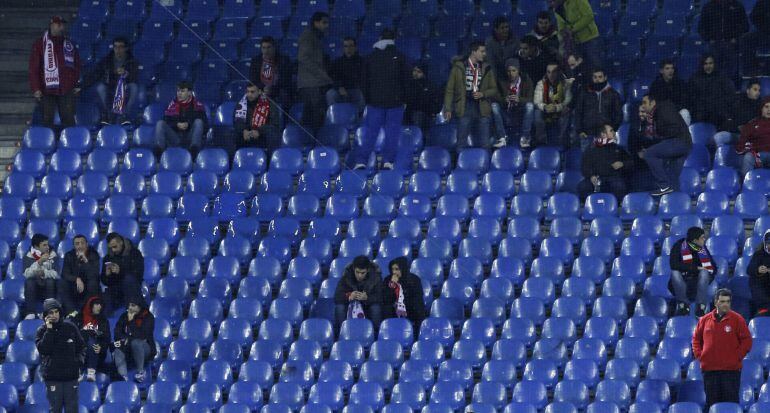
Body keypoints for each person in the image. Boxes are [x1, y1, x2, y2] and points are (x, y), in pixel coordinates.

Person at [353, 28, 411, 170]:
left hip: (375, 103)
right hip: (395, 103)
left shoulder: (370, 57)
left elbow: (363, 82)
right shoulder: (400, 57)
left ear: (379, 39)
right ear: (394, 40)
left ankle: (361, 161)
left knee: (370, 133)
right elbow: (406, 81)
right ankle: (387, 162)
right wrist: (404, 99)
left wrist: (369, 99)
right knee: (392, 133)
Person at [692, 288, 752, 411]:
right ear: (716, 302)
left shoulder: (737, 319)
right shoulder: (704, 320)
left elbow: (747, 341)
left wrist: (736, 357)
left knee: (730, 404)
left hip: (731, 371)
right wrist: (701, 356)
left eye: (728, 302)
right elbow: (696, 340)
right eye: (722, 301)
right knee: (712, 404)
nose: (726, 304)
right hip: (710, 370)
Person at [443, 41, 499, 148]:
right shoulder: (458, 67)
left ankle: (484, 158)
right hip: (465, 106)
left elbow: (494, 89)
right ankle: (460, 158)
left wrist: (483, 93)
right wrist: (448, 108)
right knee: (461, 141)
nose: (484, 54)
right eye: (482, 51)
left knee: (485, 143)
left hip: (482, 106)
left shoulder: (487, 68)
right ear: (473, 52)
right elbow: (450, 90)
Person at [29, 16, 81, 129]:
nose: (62, 27)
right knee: (47, 120)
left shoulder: (68, 44)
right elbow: (34, 68)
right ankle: (48, 140)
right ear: (52, 25)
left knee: (69, 119)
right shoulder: (40, 44)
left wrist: (75, 83)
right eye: (59, 24)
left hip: (66, 88)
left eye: (63, 25)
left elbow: (76, 65)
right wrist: (36, 88)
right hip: (47, 88)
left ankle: (70, 140)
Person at [35, 298, 85, 413]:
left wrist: (78, 362)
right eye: (51, 313)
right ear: (46, 315)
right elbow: (44, 350)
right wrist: (49, 331)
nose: (54, 315)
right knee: (55, 410)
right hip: (53, 378)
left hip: (71, 377)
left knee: (72, 410)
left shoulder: (70, 327)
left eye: (56, 311)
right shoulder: (41, 331)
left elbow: (82, 347)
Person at [638, 94, 693, 196]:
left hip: (678, 142)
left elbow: (674, 128)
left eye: (645, 103)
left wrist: (661, 137)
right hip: (683, 144)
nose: (643, 105)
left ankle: (663, 185)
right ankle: (675, 201)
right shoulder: (657, 113)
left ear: (653, 103)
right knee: (673, 177)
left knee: (649, 154)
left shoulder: (663, 109)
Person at [84, 37, 138, 125]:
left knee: (134, 88)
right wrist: (81, 86)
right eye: (115, 47)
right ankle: (108, 114)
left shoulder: (132, 61)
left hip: (125, 86)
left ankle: (125, 115)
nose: (118, 49)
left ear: (126, 48)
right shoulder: (106, 60)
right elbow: (96, 74)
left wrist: (126, 73)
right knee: (100, 87)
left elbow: (135, 77)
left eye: (121, 47)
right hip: (111, 85)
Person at [577, 124, 632, 201]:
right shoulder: (591, 149)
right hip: (597, 178)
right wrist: (591, 176)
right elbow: (584, 166)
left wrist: (622, 164)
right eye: (611, 131)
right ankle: (588, 204)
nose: (614, 133)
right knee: (582, 187)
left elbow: (630, 162)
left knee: (620, 186)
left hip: (613, 177)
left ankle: (618, 205)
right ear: (603, 134)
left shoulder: (617, 149)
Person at [670, 227, 717, 316]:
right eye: (702, 237)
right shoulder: (678, 246)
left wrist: (704, 272)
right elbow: (674, 265)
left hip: (698, 281)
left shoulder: (703, 249)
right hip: (683, 280)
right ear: (695, 240)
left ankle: (700, 306)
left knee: (704, 272)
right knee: (675, 273)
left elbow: (713, 268)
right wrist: (695, 268)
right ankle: (683, 304)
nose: (704, 239)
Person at [298, 12, 333, 131]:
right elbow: (304, 58)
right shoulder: (308, 36)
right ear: (316, 23)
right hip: (311, 83)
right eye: (324, 22)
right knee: (313, 116)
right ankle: (310, 139)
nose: (327, 25)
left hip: (313, 83)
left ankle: (309, 138)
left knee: (312, 115)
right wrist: (322, 74)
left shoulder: (315, 37)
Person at [573, 67, 623, 150]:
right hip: (587, 135)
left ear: (605, 78)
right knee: (587, 157)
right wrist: (580, 130)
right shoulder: (584, 93)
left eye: (600, 77)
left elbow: (619, 114)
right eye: (595, 77)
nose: (597, 80)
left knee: (606, 157)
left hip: (605, 135)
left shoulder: (613, 94)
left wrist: (612, 129)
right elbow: (578, 112)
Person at [154, 80, 207, 158]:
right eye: (178, 91)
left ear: (189, 93)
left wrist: (188, 124)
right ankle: (159, 155)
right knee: (160, 123)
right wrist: (176, 125)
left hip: (190, 137)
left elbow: (205, 127)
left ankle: (194, 153)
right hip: (175, 137)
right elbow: (166, 121)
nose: (179, 93)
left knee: (199, 122)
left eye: (182, 91)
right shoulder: (172, 105)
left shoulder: (198, 106)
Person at [698, 0, 749, 81]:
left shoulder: (737, 5)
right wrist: (709, 38)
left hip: (732, 44)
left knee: (732, 67)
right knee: (713, 64)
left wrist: (735, 38)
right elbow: (701, 27)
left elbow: (745, 26)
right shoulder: (708, 7)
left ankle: (730, 84)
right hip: (714, 43)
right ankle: (715, 84)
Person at [113, 295, 156, 382]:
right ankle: (123, 377)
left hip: (144, 349)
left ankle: (141, 372)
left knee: (136, 343)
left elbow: (141, 336)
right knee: (117, 350)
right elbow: (117, 333)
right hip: (128, 347)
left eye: (133, 305)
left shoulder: (148, 317)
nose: (130, 308)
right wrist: (125, 339)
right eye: (129, 305)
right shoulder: (124, 316)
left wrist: (131, 321)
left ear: (139, 306)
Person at [688, 54, 737, 132]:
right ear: (702, 65)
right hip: (701, 114)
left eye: (710, 63)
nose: (708, 66)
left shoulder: (722, 78)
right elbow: (692, 99)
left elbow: (729, 97)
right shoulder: (694, 79)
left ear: (714, 64)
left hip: (719, 113)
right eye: (705, 64)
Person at [333, 256, 383, 331]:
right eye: (357, 272)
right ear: (353, 269)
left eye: (363, 273)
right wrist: (349, 296)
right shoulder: (346, 276)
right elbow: (337, 296)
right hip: (350, 306)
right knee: (339, 307)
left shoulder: (376, 277)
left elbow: (380, 297)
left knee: (376, 308)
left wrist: (367, 298)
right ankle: (342, 331)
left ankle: (375, 333)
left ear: (368, 270)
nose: (359, 275)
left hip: (367, 306)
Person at [549, 0, 603, 70]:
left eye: (553, 1)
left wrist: (573, 29)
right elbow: (561, 25)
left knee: (595, 66)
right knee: (580, 68)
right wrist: (562, 32)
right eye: (550, 2)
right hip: (575, 42)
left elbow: (589, 16)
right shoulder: (556, 9)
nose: (552, 4)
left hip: (590, 39)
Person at [494, 58, 534, 148]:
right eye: (508, 71)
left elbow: (531, 99)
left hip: (520, 113)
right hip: (506, 112)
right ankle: (502, 137)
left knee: (530, 106)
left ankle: (525, 137)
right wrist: (504, 99)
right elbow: (495, 97)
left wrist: (519, 99)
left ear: (518, 71)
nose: (511, 73)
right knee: (494, 106)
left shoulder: (526, 81)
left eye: (513, 70)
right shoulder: (501, 81)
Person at [233, 82, 282, 155]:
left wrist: (259, 131)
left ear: (259, 91)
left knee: (273, 133)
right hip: (246, 135)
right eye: (247, 92)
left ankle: (271, 159)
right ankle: (234, 159)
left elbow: (275, 124)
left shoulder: (270, 104)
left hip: (263, 136)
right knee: (231, 134)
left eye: (252, 92)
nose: (249, 94)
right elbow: (237, 122)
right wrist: (243, 130)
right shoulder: (241, 104)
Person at [59, 234, 101, 317]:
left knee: (93, 283)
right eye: (77, 244)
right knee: (62, 283)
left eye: (82, 243)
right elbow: (64, 274)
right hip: (74, 285)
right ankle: (71, 312)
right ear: (74, 246)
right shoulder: (69, 255)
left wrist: (86, 261)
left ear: (87, 244)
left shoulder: (94, 254)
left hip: (89, 286)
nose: (80, 246)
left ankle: (86, 310)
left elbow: (95, 275)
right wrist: (76, 279)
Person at [533, 61, 573, 147]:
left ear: (558, 72)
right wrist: (545, 107)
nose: (551, 75)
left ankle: (562, 141)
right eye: (549, 72)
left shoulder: (566, 83)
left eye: (554, 72)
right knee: (537, 113)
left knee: (567, 111)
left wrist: (556, 108)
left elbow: (568, 100)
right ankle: (541, 141)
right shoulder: (541, 83)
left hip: (559, 109)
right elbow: (537, 101)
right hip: (546, 109)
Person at [101, 233, 143, 313]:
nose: (113, 250)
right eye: (111, 248)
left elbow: (138, 275)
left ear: (121, 242)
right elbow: (105, 281)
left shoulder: (135, 254)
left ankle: (132, 313)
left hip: (132, 289)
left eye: (115, 247)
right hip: (115, 290)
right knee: (101, 303)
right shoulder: (108, 257)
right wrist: (107, 275)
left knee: (128, 280)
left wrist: (120, 271)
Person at [383, 257, 426, 333]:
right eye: (392, 269)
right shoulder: (387, 280)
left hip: (409, 307)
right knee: (386, 308)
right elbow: (385, 298)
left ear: (403, 269)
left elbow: (417, 297)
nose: (394, 272)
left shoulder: (414, 280)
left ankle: (418, 333)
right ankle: (388, 332)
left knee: (419, 307)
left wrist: (403, 303)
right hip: (394, 307)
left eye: (397, 269)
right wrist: (393, 285)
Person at [72, 296, 110, 382]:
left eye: (100, 305)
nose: (99, 306)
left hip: (97, 353)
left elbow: (107, 339)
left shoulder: (103, 320)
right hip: (79, 350)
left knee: (92, 342)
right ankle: (77, 371)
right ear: (90, 305)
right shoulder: (78, 318)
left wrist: (101, 347)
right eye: (97, 304)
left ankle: (91, 372)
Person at [249, 36, 293, 109]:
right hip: (261, 89)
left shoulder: (284, 60)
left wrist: (272, 88)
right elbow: (253, 79)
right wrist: (263, 87)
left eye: (269, 47)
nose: (266, 51)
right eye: (264, 48)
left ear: (274, 48)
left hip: (278, 89)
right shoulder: (256, 61)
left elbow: (286, 79)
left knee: (285, 95)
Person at [23, 234, 59, 319]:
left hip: (49, 286)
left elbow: (57, 274)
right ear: (36, 246)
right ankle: (30, 313)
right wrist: (39, 262)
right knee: (29, 282)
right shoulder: (28, 255)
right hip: (34, 286)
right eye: (44, 245)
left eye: (47, 244)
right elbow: (26, 274)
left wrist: (44, 273)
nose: (47, 247)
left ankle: (49, 311)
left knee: (50, 281)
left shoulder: (53, 254)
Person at [326, 37, 366, 112]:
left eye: (351, 46)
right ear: (343, 48)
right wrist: (339, 87)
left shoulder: (362, 62)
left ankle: (360, 117)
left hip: (355, 89)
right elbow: (333, 77)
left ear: (355, 47)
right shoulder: (337, 62)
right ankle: (334, 115)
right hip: (340, 89)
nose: (348, 49)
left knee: (359, 95)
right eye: (346, 46)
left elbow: (363, 78)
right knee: (330, 94)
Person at [649, 59, 690, 124]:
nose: (670, 71)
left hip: (676, 111)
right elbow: (655, 103)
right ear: (661, 71)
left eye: (672, 68)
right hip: (663, 113)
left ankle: (683, 131)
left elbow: (684, 100)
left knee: (685, 112)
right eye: (667, 68)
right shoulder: (656, 85)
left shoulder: (680, 83)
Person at [735, 97, 770, 175]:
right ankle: (746, 181)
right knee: (748, 157)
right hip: (758, 155)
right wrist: (746, 148)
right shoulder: (753, 123)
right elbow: (740, 145)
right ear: (762, 108)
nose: (769, 110)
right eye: (766, 107)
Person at [404, 63, 442, 133]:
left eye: (419, 72)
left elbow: (437, 104)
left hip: (427, 115)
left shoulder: (431, 86)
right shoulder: (408, 84)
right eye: (414, 71)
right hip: (411, 114)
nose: (415, 73)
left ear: (424, 73)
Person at [485, 16, 520, 80]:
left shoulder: (516, 41)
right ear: (496, 29)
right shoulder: (489, 43)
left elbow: (516, 62)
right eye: (502, 28)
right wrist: (494, 81)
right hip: (497, 74)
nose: (506, 30)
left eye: (507, 27)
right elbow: (491, 63)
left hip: (511, 74)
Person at [749, 230, 770, 316]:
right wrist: (758, 270)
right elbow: (749, 269)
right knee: (754, 281)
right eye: (768, 243)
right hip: (761, 287)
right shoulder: (758, 254)